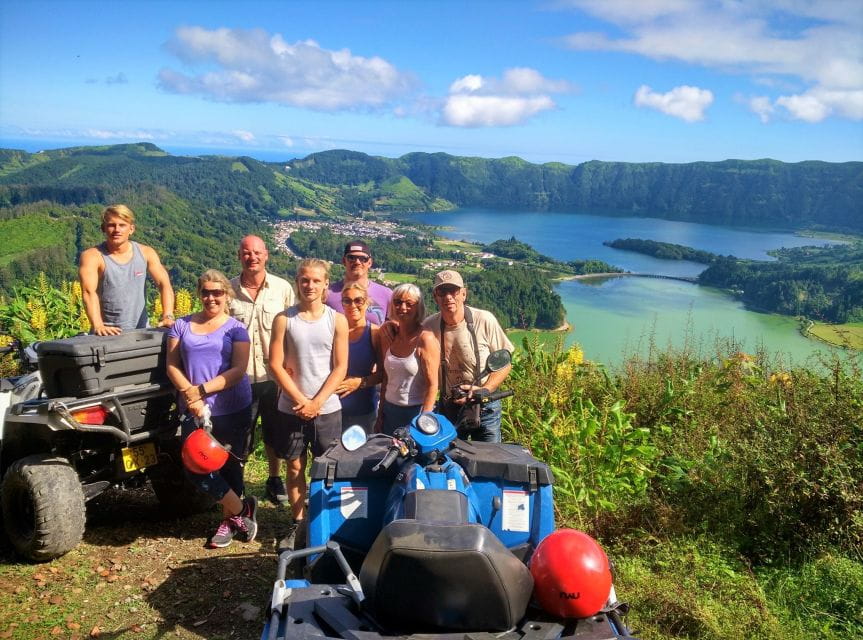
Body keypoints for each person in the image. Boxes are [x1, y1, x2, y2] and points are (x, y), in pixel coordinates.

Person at [165, 269, 257, 549]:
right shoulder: (180, 326)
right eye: (206, 292)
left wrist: (201, 390)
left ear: (226, 295)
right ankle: (243, 511)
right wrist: (191, 397)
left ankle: (229, 522)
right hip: (194, 409)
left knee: (230, 467)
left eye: (217, 292)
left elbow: (239, 370)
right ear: (199, 293)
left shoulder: (235, 329)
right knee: (196, 466)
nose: (211, 297)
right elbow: (172, 365)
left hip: (231, 407)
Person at [269, 259, 348, 550]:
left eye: (316, 281)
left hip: (327, 408)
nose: (310, 286)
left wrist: (316, 402)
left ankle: (325, 522)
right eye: (304, 280)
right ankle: (299, 522)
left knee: (327, 468)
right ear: (297, 282)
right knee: (294, 466)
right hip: (291, 407)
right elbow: (275, 364)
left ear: (326, 283)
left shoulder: (336, 320)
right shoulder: (284, 319)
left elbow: (340, 367)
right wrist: (302, 401)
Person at [228, 235, 296, 508]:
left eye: (257, 252)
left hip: (274, 376)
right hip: (240, 377)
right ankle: (237, 483)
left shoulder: (282, 288)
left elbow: (294, 331)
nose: (252, 257)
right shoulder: (228, 290)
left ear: (266, 255)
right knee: (240, 434)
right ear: (239, 255)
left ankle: (273, 477)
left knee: (274, 432)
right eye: (246, 252)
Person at [423, 270, 513, 442]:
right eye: (442, 292)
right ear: (435, 297)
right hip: (449, 407)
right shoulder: (429, 327)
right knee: (450, 460)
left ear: (464, 294)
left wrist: (485, 389)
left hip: (485, 405)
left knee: (489, 459)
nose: (448, 297)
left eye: (453, 291)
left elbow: (505, 362)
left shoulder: (484, 320)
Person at [79, 204, 175, 335]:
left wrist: (167, 316)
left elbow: (164, 284)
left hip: (141, 332)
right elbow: (88, 292)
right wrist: (98, 326)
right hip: (106, 334)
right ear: (103, 228)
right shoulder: (92, 256)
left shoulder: (146, 253)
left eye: (122, 225)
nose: (117, 229)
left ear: (131, 229)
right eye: (111, 225)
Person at [378, 283, 439, 435]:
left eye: (409, 304)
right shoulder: (390, 336)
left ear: (418, 307)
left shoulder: (425, 339)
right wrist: (380, 415)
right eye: (397, 302)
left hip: (415, 412)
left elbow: (433, 386)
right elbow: (386, 379)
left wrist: (424, 421)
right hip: (389, 411)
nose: (402, 308)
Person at [334, 282, 382, 433]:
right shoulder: (333, 330)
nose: (352, 305)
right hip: (333, 409)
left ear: (367, 302)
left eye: (358, 300)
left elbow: (384, 374)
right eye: (347, 300)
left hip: (364, 410)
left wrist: (359, 382)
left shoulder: (375, 333)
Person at [326, 240, 392, 326]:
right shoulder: (327, 294)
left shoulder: (387, 295)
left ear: (370, 262)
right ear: (343, 261)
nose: (357, 262)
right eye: (351, 258)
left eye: (363, 259)